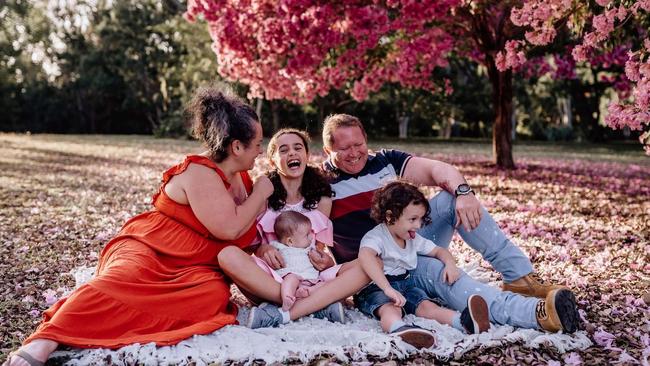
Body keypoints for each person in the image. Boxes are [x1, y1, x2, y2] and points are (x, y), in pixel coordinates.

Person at [3, 86, 275, 366]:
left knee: (211, 296)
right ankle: (46, 339)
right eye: (257, 143)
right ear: (237, 147)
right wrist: (260, 194)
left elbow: (242, 229)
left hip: (197, 265)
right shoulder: (200, 172)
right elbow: (229, 229)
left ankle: (113, 326)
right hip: (152, 247)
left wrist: (261, 246)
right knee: (122, 279)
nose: (261, 150)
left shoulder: (241, 177)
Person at [321, 113, 580, 334]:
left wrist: (464, 194)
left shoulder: (385, 161)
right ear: (327, 151)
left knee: (450, 197)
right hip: (380, 266)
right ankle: (536, 314)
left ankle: (520, 277)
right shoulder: (322, 184)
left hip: (411, 239)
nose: (355, 153)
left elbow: (439, 169)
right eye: (344, 149)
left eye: (359, 144)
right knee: (442, 273)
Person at [215, 128, 372, 331]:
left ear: (307, 155)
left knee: (367, 265)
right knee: (227, 255)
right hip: (273, 279)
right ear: (272, 160)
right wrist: (264, 250)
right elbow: (251, 247)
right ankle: (318, 305)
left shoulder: (322, 199)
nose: (292, 153)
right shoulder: (263, 196)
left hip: (311, 279)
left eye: (298, 148)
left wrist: (324, 262)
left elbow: (319, 250)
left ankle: (283, 313)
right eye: (283, 150)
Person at [357, 181, 491, 349]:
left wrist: (450, 264)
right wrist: (387, 288)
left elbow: (438, 251)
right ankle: (399, 328)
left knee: (427, 307)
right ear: (390, 217)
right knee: (390, 309)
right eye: (413, 219)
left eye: (420, 219)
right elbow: (365, 256)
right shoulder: (376, 237)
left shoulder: (412, 238)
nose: (418, 225)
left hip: (405, 283)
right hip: (376, 288)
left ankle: (465, 322)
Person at [268, 211, 336, 311]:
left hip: (310, 280)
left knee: (324, 284)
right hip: (290, 277)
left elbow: (320, 261)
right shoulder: (278, 246)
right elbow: (268, 255)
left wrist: (316, 256)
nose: (312, 237)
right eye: (307, 235)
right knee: (291, 278)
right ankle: (287, 297)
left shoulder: (310, 248)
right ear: (290, 241)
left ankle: (307, 291)